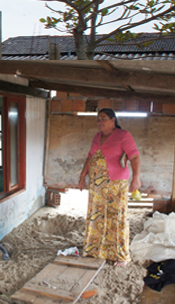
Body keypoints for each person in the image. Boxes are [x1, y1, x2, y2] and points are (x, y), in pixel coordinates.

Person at [77, 108, 141, 267]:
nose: (100, 122)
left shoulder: (123, 135)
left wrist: (136, 178)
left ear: (113, 120)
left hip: (115, 184)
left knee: (116, 217)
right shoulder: (97, 136)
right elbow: (90, 157)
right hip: (97, 186)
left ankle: (120, 256)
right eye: (98, 119)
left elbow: (134, 156)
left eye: (103, 118)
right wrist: (82, 176)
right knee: (96, 215)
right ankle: (94, 250)